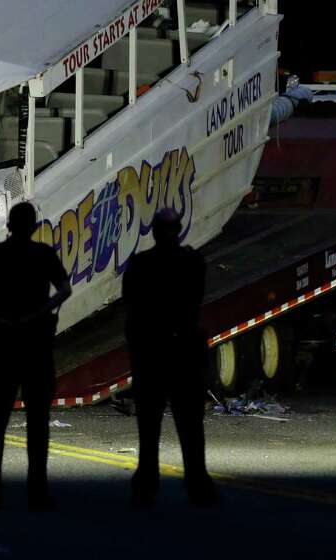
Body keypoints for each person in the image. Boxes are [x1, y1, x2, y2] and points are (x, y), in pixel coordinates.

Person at [0, 202, 71, 511]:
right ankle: (37, 491)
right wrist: (40, 312)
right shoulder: (43, 255)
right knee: (38, 422)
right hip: (35, 343)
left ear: (8, 224)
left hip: (3, 342)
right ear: (34, 226)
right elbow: (64, 289)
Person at [122, 208, 218, 509]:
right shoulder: (192, 262)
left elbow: (131, 306)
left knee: (149, 428)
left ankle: (146, 485)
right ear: (178, 229)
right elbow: (195, 299)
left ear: (153, 231)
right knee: (190, 427)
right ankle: (197, 485)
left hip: (151, 352)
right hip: (184, 353)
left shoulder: (140, 265)